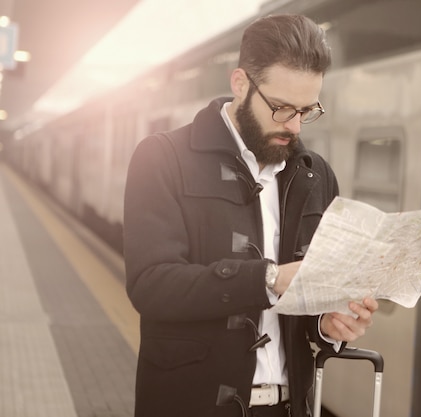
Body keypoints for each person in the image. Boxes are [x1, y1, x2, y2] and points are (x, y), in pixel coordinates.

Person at [123, 13, 379, 417]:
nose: (294, 126)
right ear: (240, 83)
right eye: (280, 108)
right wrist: (269, 279)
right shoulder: (162, 158)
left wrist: (328, 325)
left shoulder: (317, 176)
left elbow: (310, 303)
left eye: (307, 110)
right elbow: (150, 285)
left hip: (287, 408)